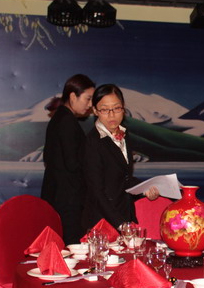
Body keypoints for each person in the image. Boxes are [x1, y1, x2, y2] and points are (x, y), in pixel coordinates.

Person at [82, 84, 158, 230]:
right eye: (105, 109)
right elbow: (96, 192)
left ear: (123, 108)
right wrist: (121, 224)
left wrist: (145, 189)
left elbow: (123, 177)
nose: (112, 115)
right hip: (102, 223)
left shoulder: (123, 134)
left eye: (116, 108)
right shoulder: (91, 142)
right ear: (95, 111)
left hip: (125, 215)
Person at [41, 74, 95, 244]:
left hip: (58, 196)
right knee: (72, 248)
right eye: (88, 99)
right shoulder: (67, 122)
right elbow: (73, 164)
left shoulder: (60, 118)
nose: (90, 104)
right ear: (73, 96)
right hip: (68, 201)